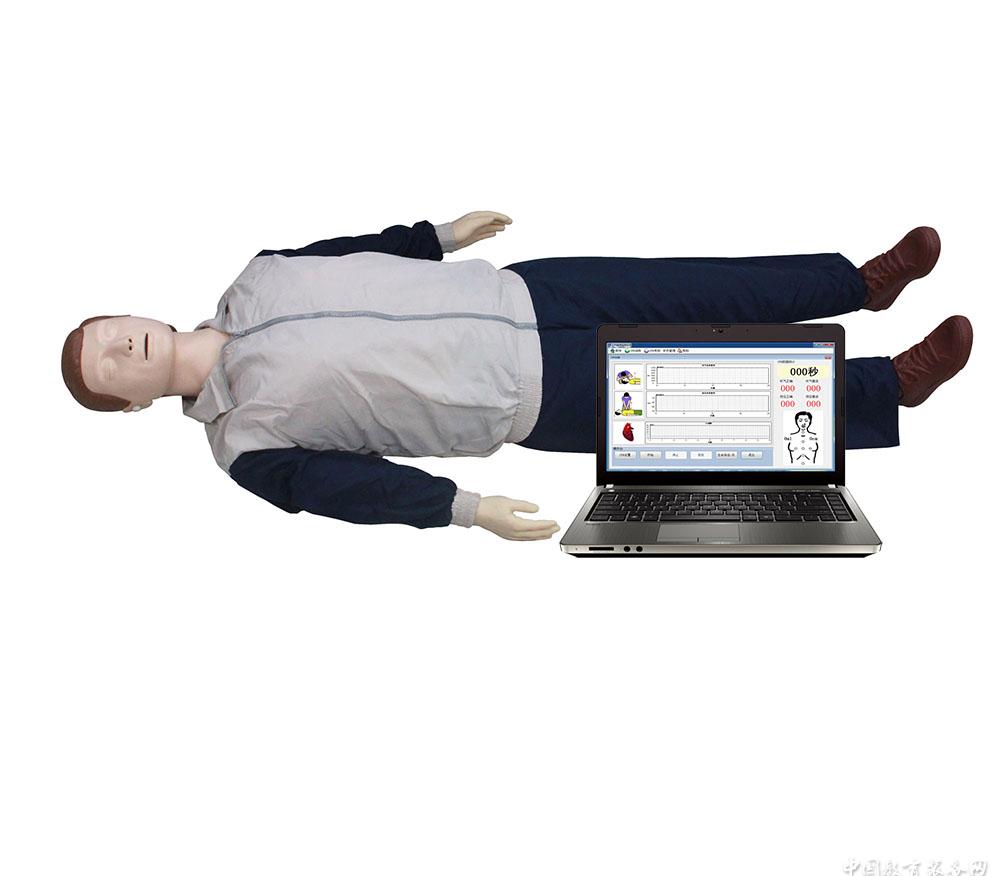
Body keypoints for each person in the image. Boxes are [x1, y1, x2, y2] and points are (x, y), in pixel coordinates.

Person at [61, 213, 974, 542]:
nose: (120, 346)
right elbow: (347, 490)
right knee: (715, 394)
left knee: (701, 285)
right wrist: (463, 510)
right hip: (528, 395)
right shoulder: (245, 447)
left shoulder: (258, 273)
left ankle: (858, 283)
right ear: (130, 403)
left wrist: (437, 236)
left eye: (110, 331)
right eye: (108, 365)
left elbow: (354, 251)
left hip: (524, 291)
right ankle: (889, 386)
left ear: (134, 314)